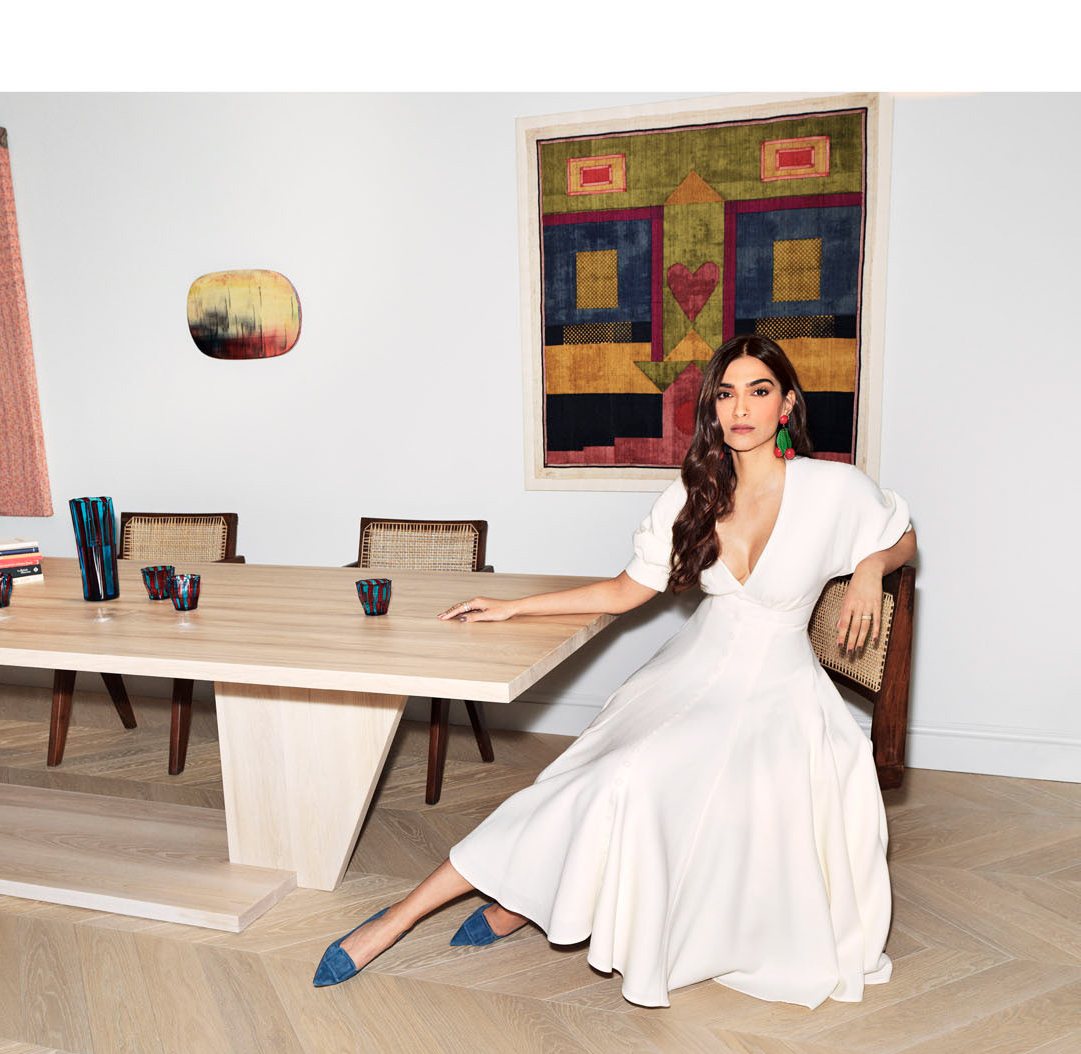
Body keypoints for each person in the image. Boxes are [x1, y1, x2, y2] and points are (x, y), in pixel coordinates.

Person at [314, 334, 917, 1008]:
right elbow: (624, 591)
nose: (741, 408)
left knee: (627, 778)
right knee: (587, 780)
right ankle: (401, 917)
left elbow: (903, 537)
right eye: (726, 394)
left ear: (787, 405)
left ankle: (509, 901)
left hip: (776, 695)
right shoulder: (696, 491)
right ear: (713, 408)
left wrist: (871, 567)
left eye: (759, 391)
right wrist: (514, 607)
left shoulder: (832, 488)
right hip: (686, 673)